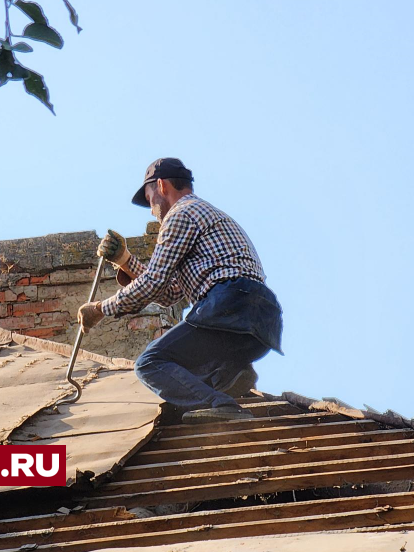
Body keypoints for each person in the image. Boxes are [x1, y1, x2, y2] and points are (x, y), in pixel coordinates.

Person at [77, 158, 283, 423]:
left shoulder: (180, 214)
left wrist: (100, 309)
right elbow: (169, 293)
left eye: (150, 200)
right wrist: (125, 260)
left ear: (161, 186)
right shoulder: (206, 213)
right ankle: (230, 373)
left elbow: (153, 283)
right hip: (260, 322)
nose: (152, 211)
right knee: (185, 383)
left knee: (151, 363)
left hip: (227, 306)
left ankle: (220, 402)